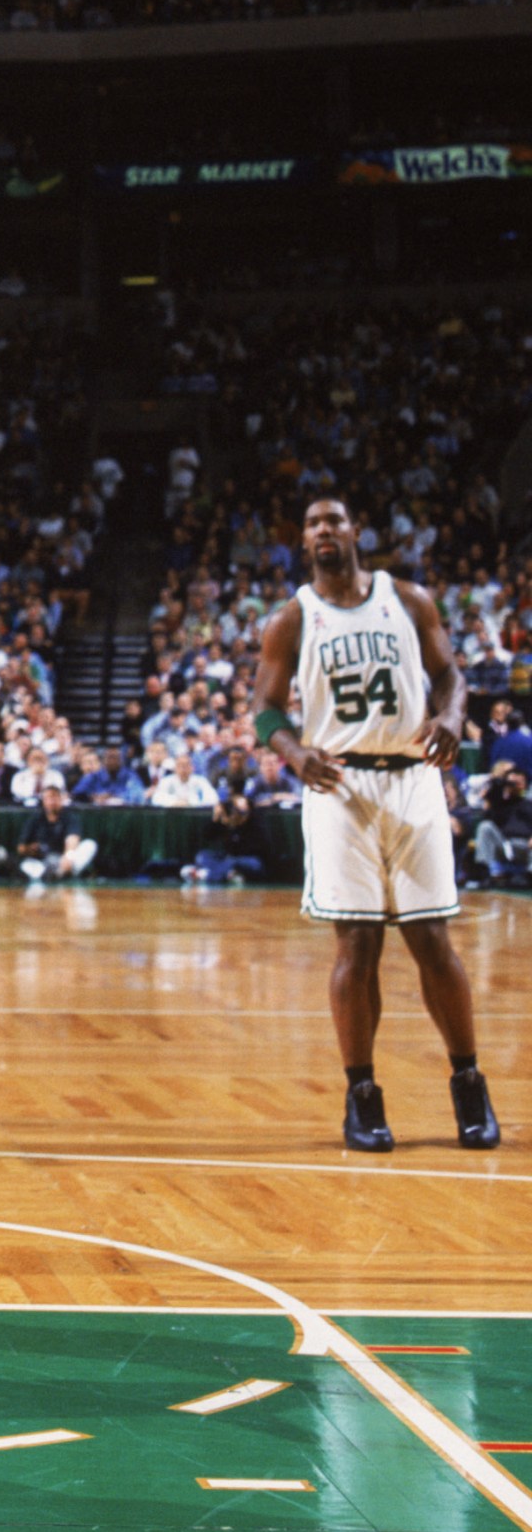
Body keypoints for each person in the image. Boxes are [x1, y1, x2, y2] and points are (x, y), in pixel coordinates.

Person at [252, 494, 502, 1154]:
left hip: (414, 776)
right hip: (339, 784)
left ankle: (468, 1082)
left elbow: (451, 677)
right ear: (303, 541)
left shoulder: (408, 599)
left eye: (334, 519)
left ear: (356, 530)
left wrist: (450, 719)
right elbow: (265, 711)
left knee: (432, 939)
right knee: (356, 947)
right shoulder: (292, 619)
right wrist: (295, 752)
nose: (323, 530)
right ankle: (362, 1095)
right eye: (311, 523)